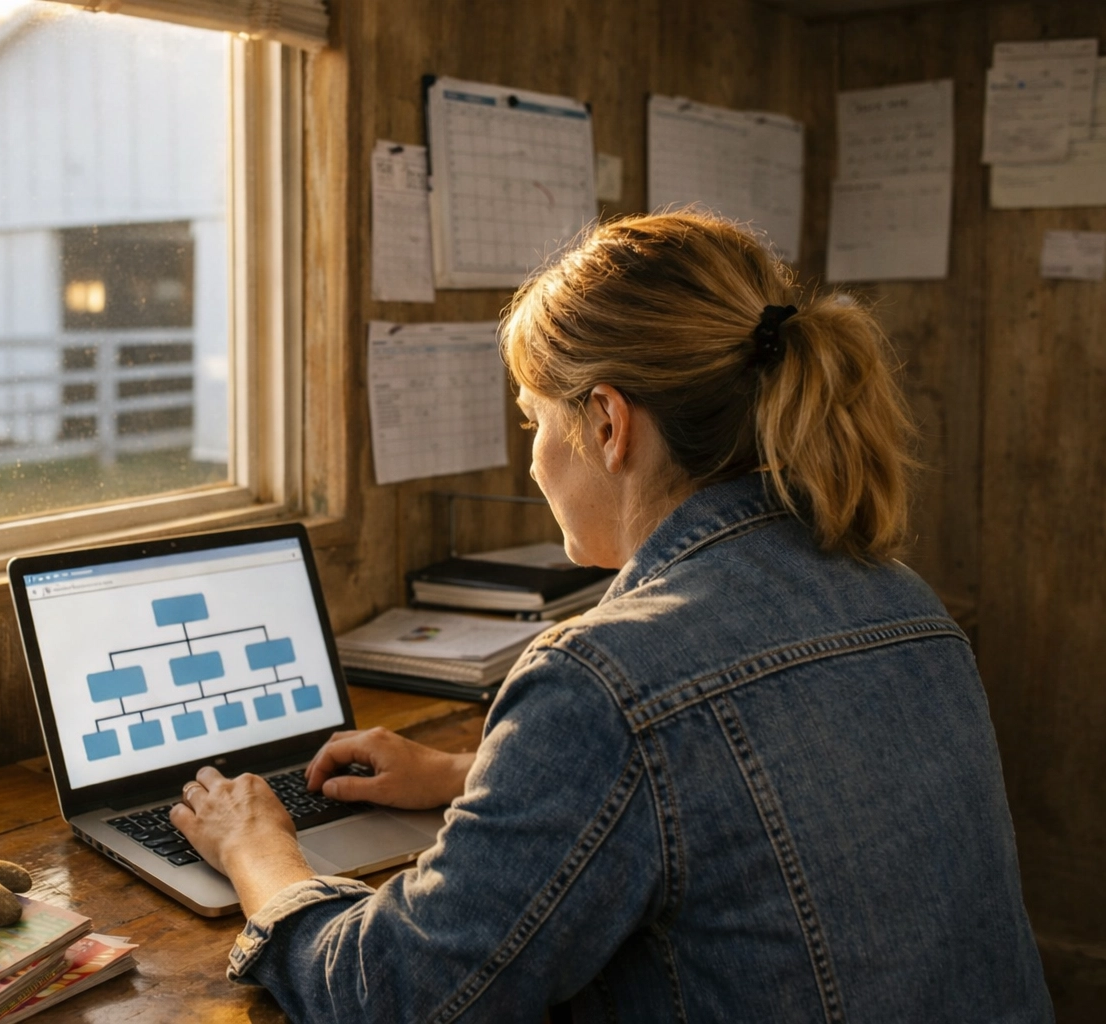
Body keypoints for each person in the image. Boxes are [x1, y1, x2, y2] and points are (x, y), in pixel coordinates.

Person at [168, 211, 1053, 1022]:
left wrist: (261, 856)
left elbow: (400, 993)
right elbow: (741, 770)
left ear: (606, 424)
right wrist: (467, 773)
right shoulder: (903, 600)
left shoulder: (604, 682)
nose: (534, 461)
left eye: (532, 422)